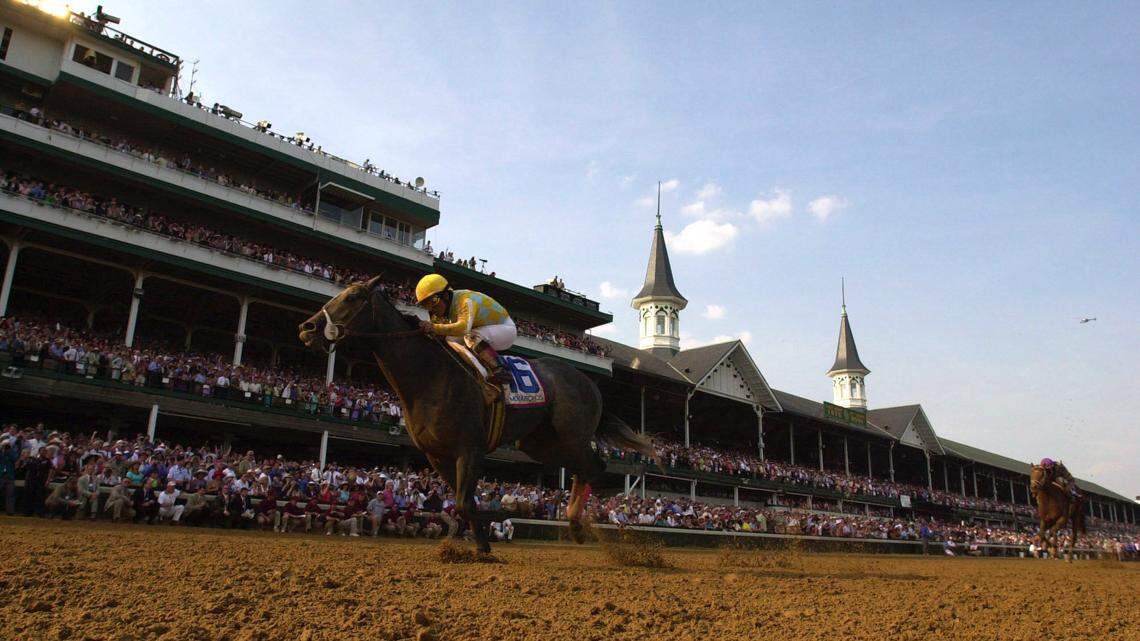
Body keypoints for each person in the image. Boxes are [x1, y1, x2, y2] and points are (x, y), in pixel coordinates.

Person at [413, 274, 516, 384]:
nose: (431, 308)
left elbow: (463, 329)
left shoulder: (465, 300)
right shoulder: (440, 312)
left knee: (471, 336)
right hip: (482, 329)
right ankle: (478, 373)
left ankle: (500, 370)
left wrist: (433, 327)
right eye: (425, 305)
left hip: (505, 329)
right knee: (449, 340)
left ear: (446, 296)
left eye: (433, 301)